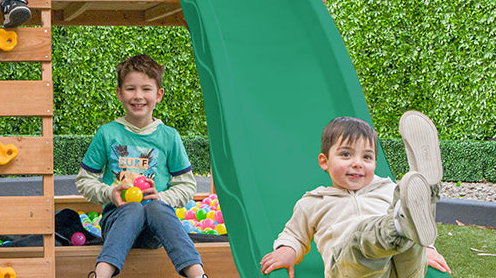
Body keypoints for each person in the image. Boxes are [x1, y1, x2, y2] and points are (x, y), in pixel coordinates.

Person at [257, 113, 452, 278]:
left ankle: (424, 186)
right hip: (349, 269)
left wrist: (427, 249)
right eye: (346, 154)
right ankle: (399, 225)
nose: (357, 163)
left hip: (400, 271)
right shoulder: (313, 202)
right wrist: (287, 251)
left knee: (408, 215)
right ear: (324, 161)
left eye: (367, 157)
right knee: (361, 238)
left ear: (375, 163)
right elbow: (295, 236)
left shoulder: (387, 188)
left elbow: (419, 220)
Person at [76, 54, 209, 278]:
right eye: (130, 89)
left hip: (155, 230)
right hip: (117, 223)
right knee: (133, 207)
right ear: (119, 93)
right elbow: (84, 180)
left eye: (146, 89)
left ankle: (198, 275)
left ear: (159, 95)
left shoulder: (169, 137)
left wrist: (163, 197)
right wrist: (110, 192)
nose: (138, 96)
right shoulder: (108, 133)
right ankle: (100, 275)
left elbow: (186, 185)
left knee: (154, 207)